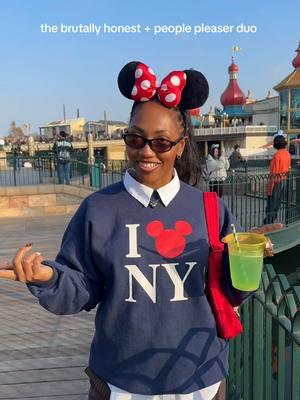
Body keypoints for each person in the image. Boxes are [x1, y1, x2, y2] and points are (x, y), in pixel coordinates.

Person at [0, 61, 276, 400]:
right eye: (135, 138)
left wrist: (247, 256)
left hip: (200, 376)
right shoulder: (99, 209)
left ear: (180, 145)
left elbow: (232, 293)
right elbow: (82, 288)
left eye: (161, 142)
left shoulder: (210, 208)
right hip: (121, 381)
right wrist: (46, 278)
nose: (146, 151)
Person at [264, 133, 291, 224]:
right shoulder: (287, 154)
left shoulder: (277, 155)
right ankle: (272, 218)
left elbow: (274, 173)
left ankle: (269, 220)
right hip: (284, 180)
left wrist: (270, 189)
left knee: (272, 201)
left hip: (276, 181)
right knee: (277, 202)